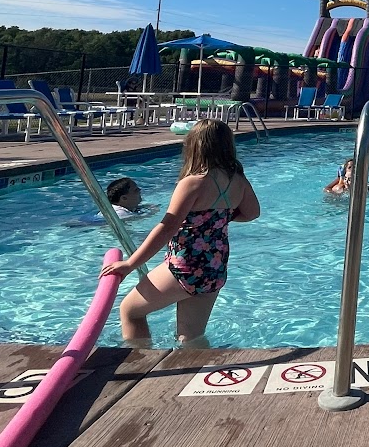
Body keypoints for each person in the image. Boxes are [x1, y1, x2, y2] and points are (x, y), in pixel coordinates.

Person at [101, 119, 259, 348]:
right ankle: (197, 373)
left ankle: (139, 365)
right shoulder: (238, 181)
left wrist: (130, 264)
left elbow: (167, 227)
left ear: (195, 145)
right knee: (191, 338)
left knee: (130, 311)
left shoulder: (193, 183)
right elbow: (252, 213)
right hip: (213, 269)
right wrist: (214, 221)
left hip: (185, 267)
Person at [67, 176, 152, 226]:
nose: (140, 190)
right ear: (124, 198)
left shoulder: (118, 209)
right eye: (136, 190)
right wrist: (149, 214)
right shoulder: (120, 213)